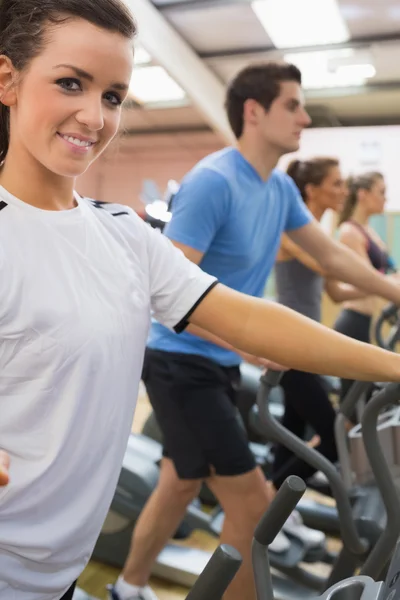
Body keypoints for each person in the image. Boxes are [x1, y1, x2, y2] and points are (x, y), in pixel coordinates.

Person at [2, 7, 400, 600]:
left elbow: (245, 316)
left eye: (112, 95)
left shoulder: (123, 234)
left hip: (58, 566)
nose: (94, 114)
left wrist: (392, 365)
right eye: (69, 83)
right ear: (7, 80)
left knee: (179, 484)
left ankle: (128, 584)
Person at [109, 61, 400, 600]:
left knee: (179, 483)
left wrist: (396, 291)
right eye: (293, 105)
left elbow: (335, 260)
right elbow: (168, 292)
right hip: (179, 364)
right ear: (253, 111)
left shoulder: (279, 191)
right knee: (252, 507)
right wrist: (246, 342)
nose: (305, 117)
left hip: (212, 364)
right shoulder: (212, 183)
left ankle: (128, 587)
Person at [271, 157, 366, 490]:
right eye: (336, 183)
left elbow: (338, 293)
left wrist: (380, 285)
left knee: (291, 433)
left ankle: (281, 513)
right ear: (312, 190)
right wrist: (384, 281)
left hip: (306, 347)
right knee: (335, 434)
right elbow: (329, 265)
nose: (344, 190)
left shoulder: (316, 236)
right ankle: (267, 500)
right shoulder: (290, 232)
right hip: (288, 346)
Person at [334, 172, 396, 403]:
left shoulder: (370, 231)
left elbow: (388, 274)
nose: (385, 199)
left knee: (366, 398)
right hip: (353, 321)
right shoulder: (350, 232)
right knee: (353, 403)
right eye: (381, 192)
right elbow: (367, 279)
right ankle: (335, 440)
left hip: (367, 321)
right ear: (363, 194)